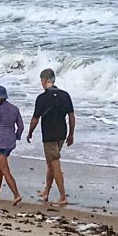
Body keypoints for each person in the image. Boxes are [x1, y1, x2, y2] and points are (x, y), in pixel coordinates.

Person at [27, 68, 75, 206]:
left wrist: (30, 132)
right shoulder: (65, 95)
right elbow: (71, 116)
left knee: (55, 164)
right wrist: (71, 134)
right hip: (62, 134)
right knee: (51, 163)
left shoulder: (42, 98)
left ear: (44, 81)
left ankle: (62, 197)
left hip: (49, 135)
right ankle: (46, 192)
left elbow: (35, 119)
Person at [0, 85, 24, 204]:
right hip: (10, 142)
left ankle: (16, 195)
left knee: (4, 169)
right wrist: (17, 136)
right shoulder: (15, 109)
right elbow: (21, 126)